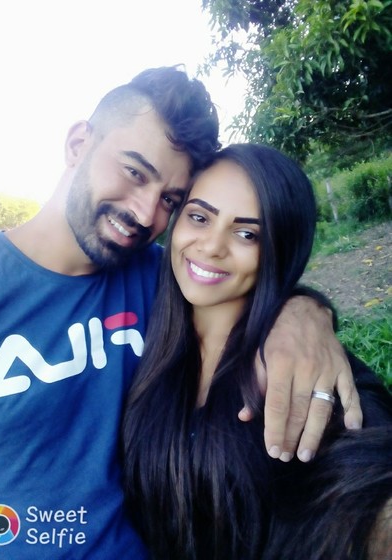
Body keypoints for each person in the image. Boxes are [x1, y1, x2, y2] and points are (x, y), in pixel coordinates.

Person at [0, 66, 360, 559]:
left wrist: (304, 314)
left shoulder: (164, 278)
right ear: (77, 144)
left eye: (170, 200)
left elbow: (249, 284)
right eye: (135, 172)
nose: (144, 213)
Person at [123, 143, 392, 559]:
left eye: (247, 234)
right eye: (199, 217)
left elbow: (366, 474)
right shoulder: (141, 317)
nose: (212, 246)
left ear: (280, 250)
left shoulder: (303, 370)